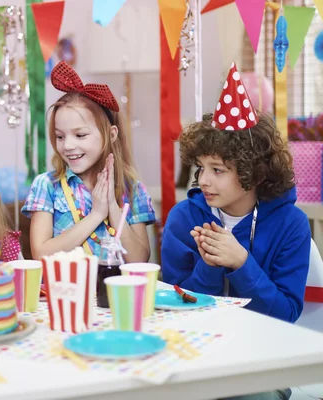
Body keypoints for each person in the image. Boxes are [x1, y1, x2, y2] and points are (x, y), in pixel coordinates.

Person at [161, 64, 310, 330]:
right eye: (201, 167)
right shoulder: (183, 218)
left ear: (255, 173)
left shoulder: (291, 223)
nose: (204, 180)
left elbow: (286, 315)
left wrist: (241, 263)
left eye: (217, 170)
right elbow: (179, 310)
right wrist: (209, 266)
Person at [22, 61, 155, 260]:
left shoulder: (132, 189)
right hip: (64, 290)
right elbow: (41, 254)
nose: (67, 145)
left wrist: (111, 206)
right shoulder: (47, 186)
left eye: (80, 135)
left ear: (111, 134)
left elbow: (139, 260)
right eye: (60, 136)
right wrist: (96, 215)